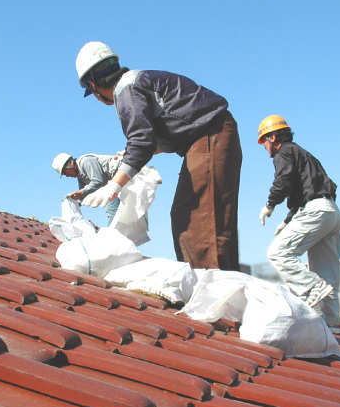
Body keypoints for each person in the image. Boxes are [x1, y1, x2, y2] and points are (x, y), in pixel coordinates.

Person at [75, 41, 241, 271]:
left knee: (199, 220)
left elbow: (141, 142)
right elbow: (157, 135)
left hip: (210, 136)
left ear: (93, 85)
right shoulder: (136, 82)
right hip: (210, 136)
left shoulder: (126, 89)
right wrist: (130, 153)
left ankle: (214, 294)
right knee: (193, 216)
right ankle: (213, 287)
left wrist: (113, 186)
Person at [257, 115, 340, 333]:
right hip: (331, 212)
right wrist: (287, 222)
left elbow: (283, 180)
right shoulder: (303, 154)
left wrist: (270, 204)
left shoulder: (284, 152)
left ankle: (312, 290)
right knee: (326, 271)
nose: (265, 148)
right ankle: (333, 324)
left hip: (315, 211)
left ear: (273, 137)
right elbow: (304, 191)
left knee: (279, 253)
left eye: (265, 142)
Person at [52, 152, 122, 225]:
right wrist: (71, 202)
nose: (66, 175)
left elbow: (98, 181)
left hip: (122, 176)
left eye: (65, 172)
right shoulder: (80, 176)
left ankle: (116, 234)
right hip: (115, 183)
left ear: (70, 163)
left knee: (112, 210)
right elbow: (82, 195)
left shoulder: (86, 162)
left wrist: (80, 193)